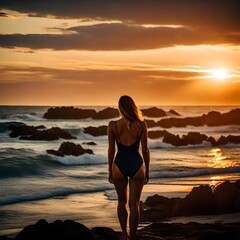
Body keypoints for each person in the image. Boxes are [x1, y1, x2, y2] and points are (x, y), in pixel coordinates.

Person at [108, 95, 150, 240]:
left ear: (120, 108)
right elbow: (145, 151)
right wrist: (148, 170)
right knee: (134, 204)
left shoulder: (113, 125)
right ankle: (132, 237)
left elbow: (111, 150)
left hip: (119, 165)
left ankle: (124, 235)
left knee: (121, 202)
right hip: (137, 165)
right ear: (133, 106)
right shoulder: (141, 125)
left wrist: (109, 170)